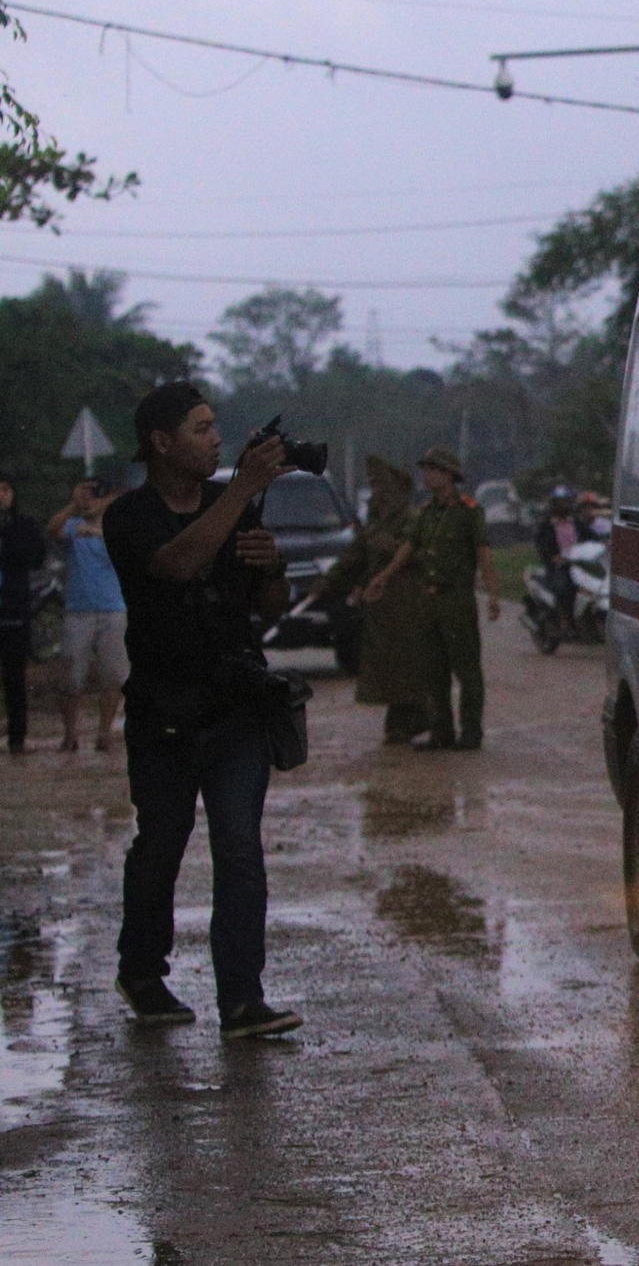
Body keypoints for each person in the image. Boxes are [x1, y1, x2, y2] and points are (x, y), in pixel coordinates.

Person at [102, 382, 303, 1037]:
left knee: (240, 850)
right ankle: (142, 972)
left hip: (236, 706)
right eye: (201, 428)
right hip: (163, 711)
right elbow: (177, 565)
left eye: (215, 426)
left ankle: (241, 999)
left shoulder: (230, 502)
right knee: (161, 845)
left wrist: (273, 568)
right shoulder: (128, 516)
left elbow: (268, 607)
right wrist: (242, 491)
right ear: (162, 443)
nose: (217, 439)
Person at [364, 446, 499, 752]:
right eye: (425, 470)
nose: (426, 476)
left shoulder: (468, 511)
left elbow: (484, 555)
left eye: (433, 470)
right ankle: (442, 732)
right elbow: (407, 548)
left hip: (457, 601)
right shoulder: (425, 513)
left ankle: (471, 732)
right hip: (429, 601)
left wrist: (492, 595)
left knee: (467, 670)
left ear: (449, 475)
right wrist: (383, 577)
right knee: (433, 671)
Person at [306, 456, 428, 744]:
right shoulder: (375, 522)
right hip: (380, 608)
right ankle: (400, 720)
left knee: (408, 664)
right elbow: (355, 556)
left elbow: (418, 553)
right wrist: (329, 581)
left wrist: (386, 548)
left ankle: (416, 716)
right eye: (372, 485)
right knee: (385, 666)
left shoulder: (413, 520)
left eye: (379, 485)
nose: (375, 492)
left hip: (408, 603)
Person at [44, 478, 129, 752]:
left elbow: (128, 546)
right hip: (78, 611)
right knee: (71, 676)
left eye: (96, 494)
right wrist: (74, 505)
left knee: (113, 676)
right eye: (86, 493)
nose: (90, 499)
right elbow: (51, 530)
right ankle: (70, 734)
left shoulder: (116, 526)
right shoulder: (72, 526)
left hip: (113, 609)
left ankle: (104, 732)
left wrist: (95, 531)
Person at [0, 472, 47, 756]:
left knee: (15, 676)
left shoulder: (23, 525)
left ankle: (17, 737)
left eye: (5, 489)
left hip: (14, 608)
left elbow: (36, 558)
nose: (1, 494)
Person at [534, 485, 583, 632]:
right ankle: (564, 617)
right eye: (559, 502)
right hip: (558, 565)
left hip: (579, 563)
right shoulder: (547, 525)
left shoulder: (577, 523)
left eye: (565, 502)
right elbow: (541, 544)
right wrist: (552, 557)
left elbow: (590, 536)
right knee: (564, 587)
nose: (563, 505)